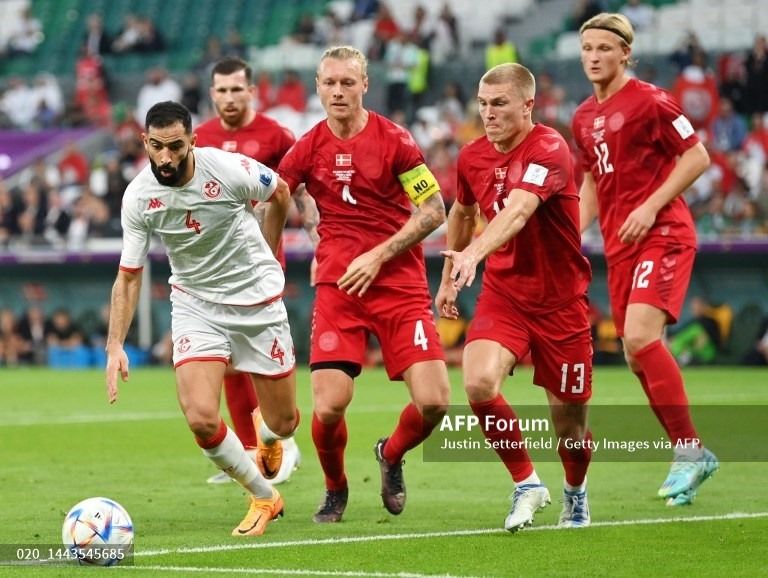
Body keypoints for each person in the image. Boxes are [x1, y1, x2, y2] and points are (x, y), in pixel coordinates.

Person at [104, 101, 298, 536]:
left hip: (257, 302)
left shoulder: (227, 169)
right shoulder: (138, 197)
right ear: (145, 142)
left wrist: (270, 245)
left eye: (175, 146)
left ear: (193, 140)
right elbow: (129, 277)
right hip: (196, 304)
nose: (166, 158)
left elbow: (280, 191)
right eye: (157, 147)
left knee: (285, 422)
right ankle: (264, 497)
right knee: (200, 417)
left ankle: (266, 437)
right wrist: (115, 344)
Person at [278, 46, 451, 523]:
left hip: (399, 285)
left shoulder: (395, 140)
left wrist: (377, 254)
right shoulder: (308, 146)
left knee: (435, 401)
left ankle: (391, 453)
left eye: (347, 82)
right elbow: (279, 192)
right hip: (340, 288)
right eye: (330, 82)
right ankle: (335, 489)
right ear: (318, 87)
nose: (338, 91)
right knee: (330, 406)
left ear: (364, 86)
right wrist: (313, 228)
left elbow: (435, 210)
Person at [436, 63, 594, 532]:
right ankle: (527, 482)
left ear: (528, 105)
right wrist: (449, 276)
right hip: (505, 294)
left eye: (499, 103)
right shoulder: (471, 157)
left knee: (570, 428)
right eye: (482, 104)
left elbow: (520, 209)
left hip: (561, 302)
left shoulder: (550, 147)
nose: (488, 113)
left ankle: (575, 492)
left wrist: (475, 253)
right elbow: (462, 213)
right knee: (479, 384)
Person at [573, 13, 719, 506]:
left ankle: (688, 449)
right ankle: (690, 454)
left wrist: (652, 204)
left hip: (665, 233)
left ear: (624, 54)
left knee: (637, 336)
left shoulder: (653, 101)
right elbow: (593, 180)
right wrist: (571, 230)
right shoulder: (582, 117)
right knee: (637, 353)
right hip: (620, 245)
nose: (594, 56)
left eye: (604, 48)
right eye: (587, 48)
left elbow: (696, 156)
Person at [195, 56, 304, 486]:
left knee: (259, 358)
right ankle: (250, 451)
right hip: (216, 268)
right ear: (211, 94)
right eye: (221, 90)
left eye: (236, 89)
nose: (228, 98)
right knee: (226, 363)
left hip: (259, 266)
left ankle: (280, 438)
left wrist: (315, 229)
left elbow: (299, 191)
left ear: (252, 91)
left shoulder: (277, 135)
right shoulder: (198, 138)